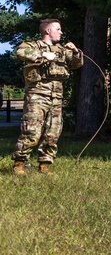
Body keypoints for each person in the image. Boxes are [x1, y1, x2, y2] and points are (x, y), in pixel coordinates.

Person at [12, 19, 83, 175]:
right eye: (58, 29)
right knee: (32, 131)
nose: (61, 32)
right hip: (37, 94)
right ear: (48, 31)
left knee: (53, 131)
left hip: (56, 97)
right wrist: (43, 54)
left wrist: (76, 51)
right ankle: (19, 163)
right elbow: (19, 52)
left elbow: (76, 64)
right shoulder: (33, 46)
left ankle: (45, 165)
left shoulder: (62, 50)